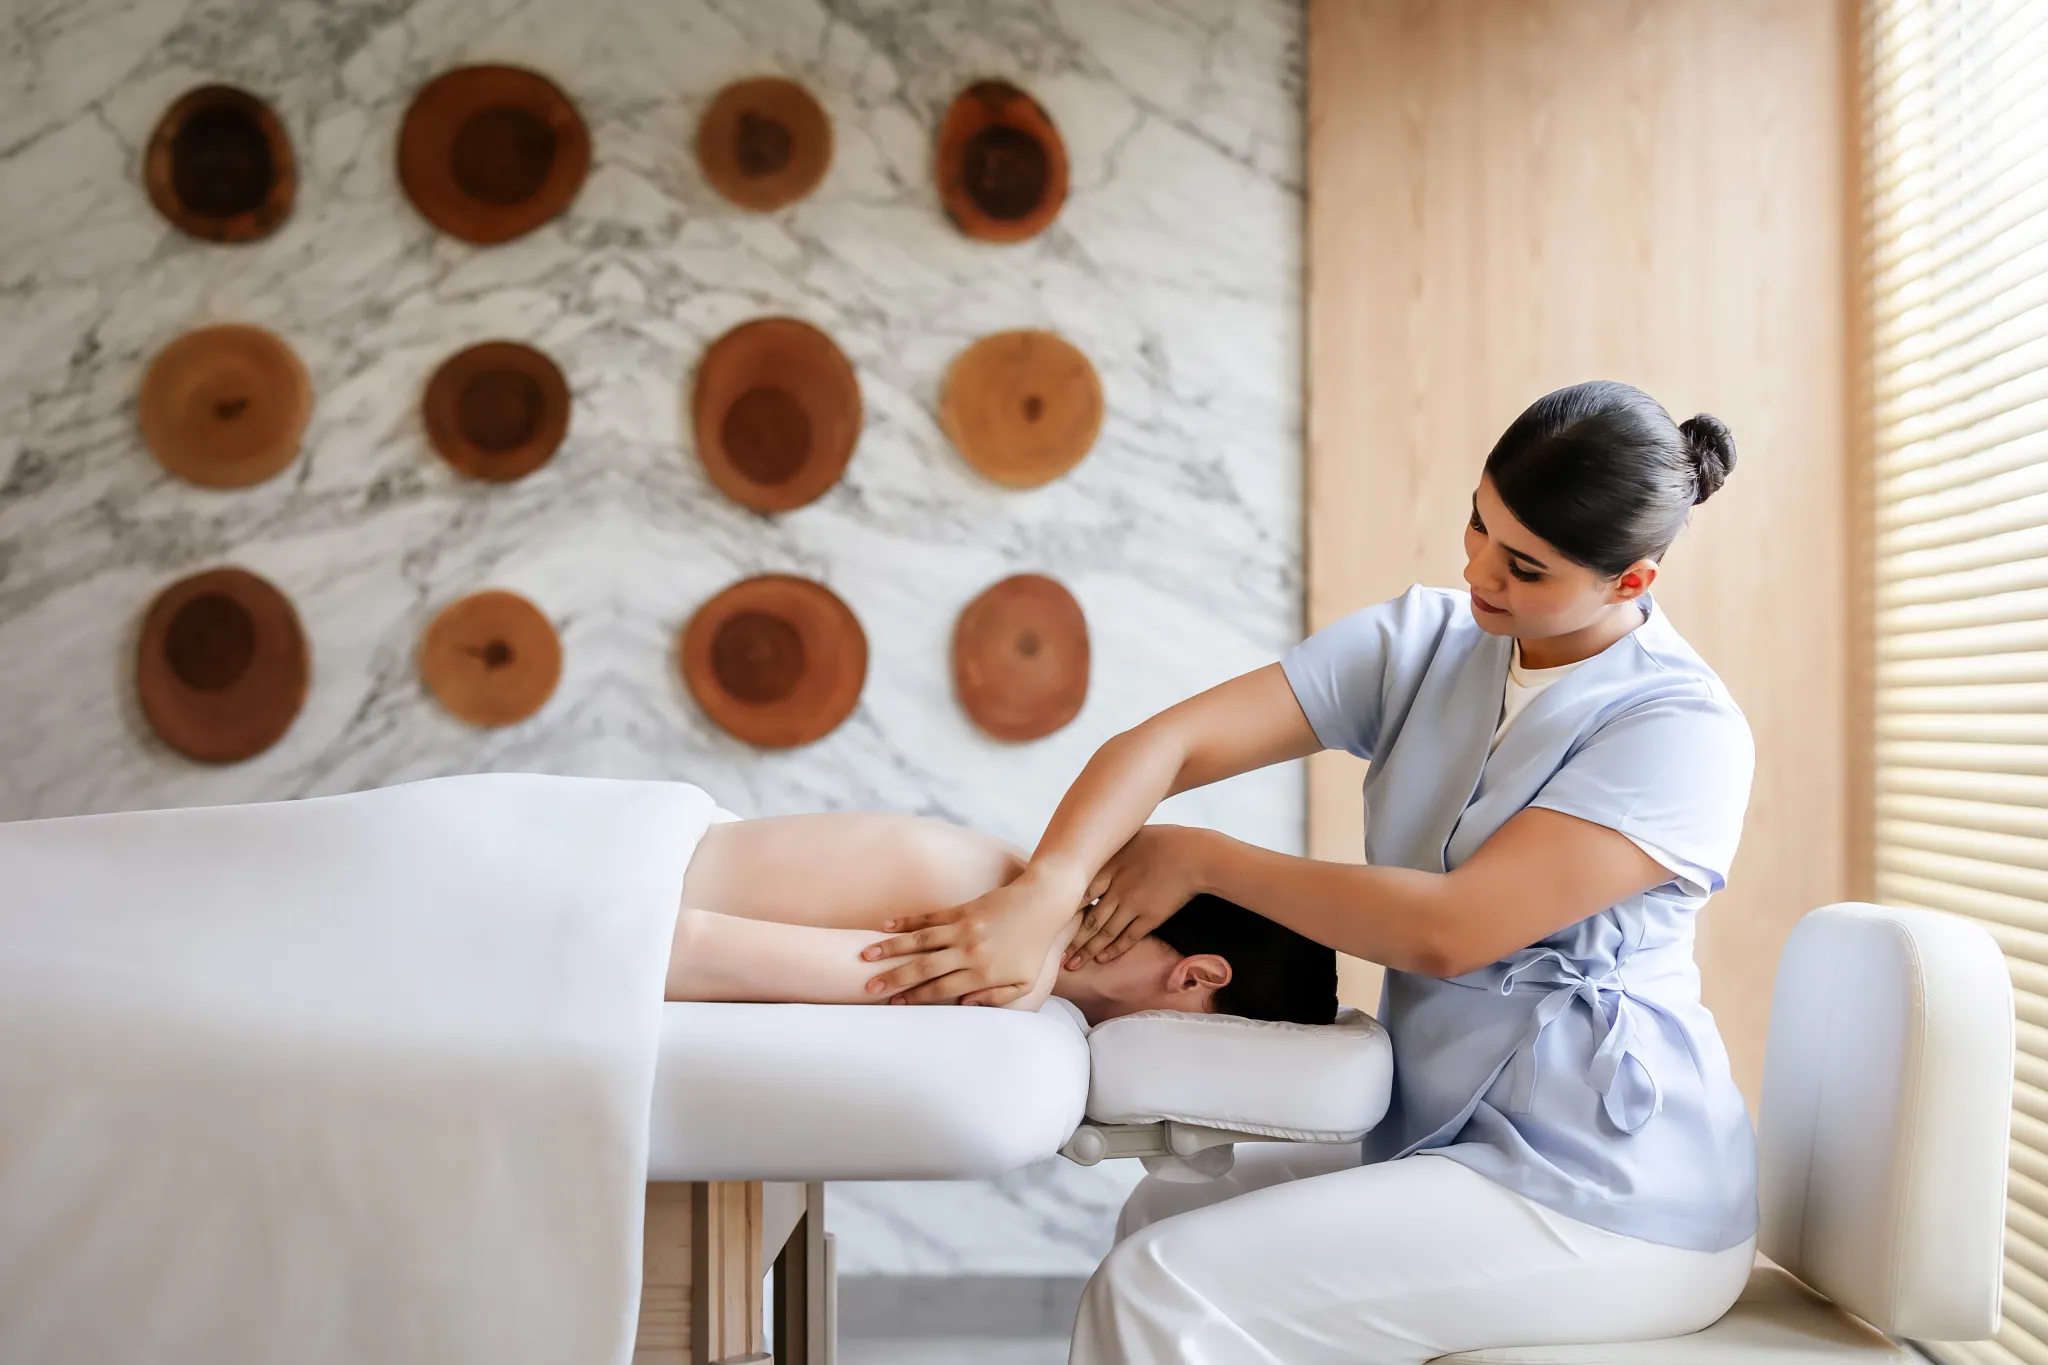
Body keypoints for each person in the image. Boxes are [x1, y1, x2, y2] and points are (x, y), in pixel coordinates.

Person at [857, 380, 1761, 1362]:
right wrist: (1046, 889)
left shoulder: (1678, 730)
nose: (1477, 570)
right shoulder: (1427, 641)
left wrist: (1202, 857)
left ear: (1628, 583)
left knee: (1161, 1288)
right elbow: (1166, 744)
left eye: (1522, 566)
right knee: (1167, 1210)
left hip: (1608, 1190)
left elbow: (1449, 929)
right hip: (1441, 1130)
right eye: (1475, 523)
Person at [663, 810, 1336, 1026]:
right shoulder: (1008, 963)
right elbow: (686, 949)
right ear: (1198, 977)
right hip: (619, 888)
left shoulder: (1022, 887)